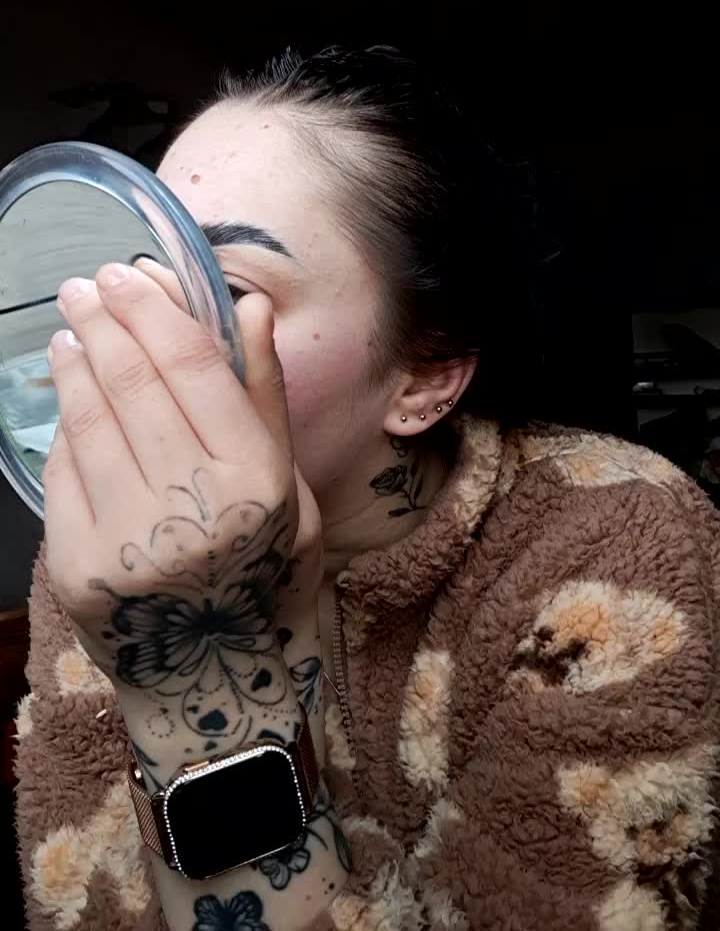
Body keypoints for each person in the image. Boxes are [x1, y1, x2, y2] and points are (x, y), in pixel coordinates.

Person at [15, 47, 720, 931]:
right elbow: (87, 909)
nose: (133, 339)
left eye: (222, 286)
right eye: (140, 271)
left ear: (424, 376)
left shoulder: (612, 537)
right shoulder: (109, 553)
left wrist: (197, 665)